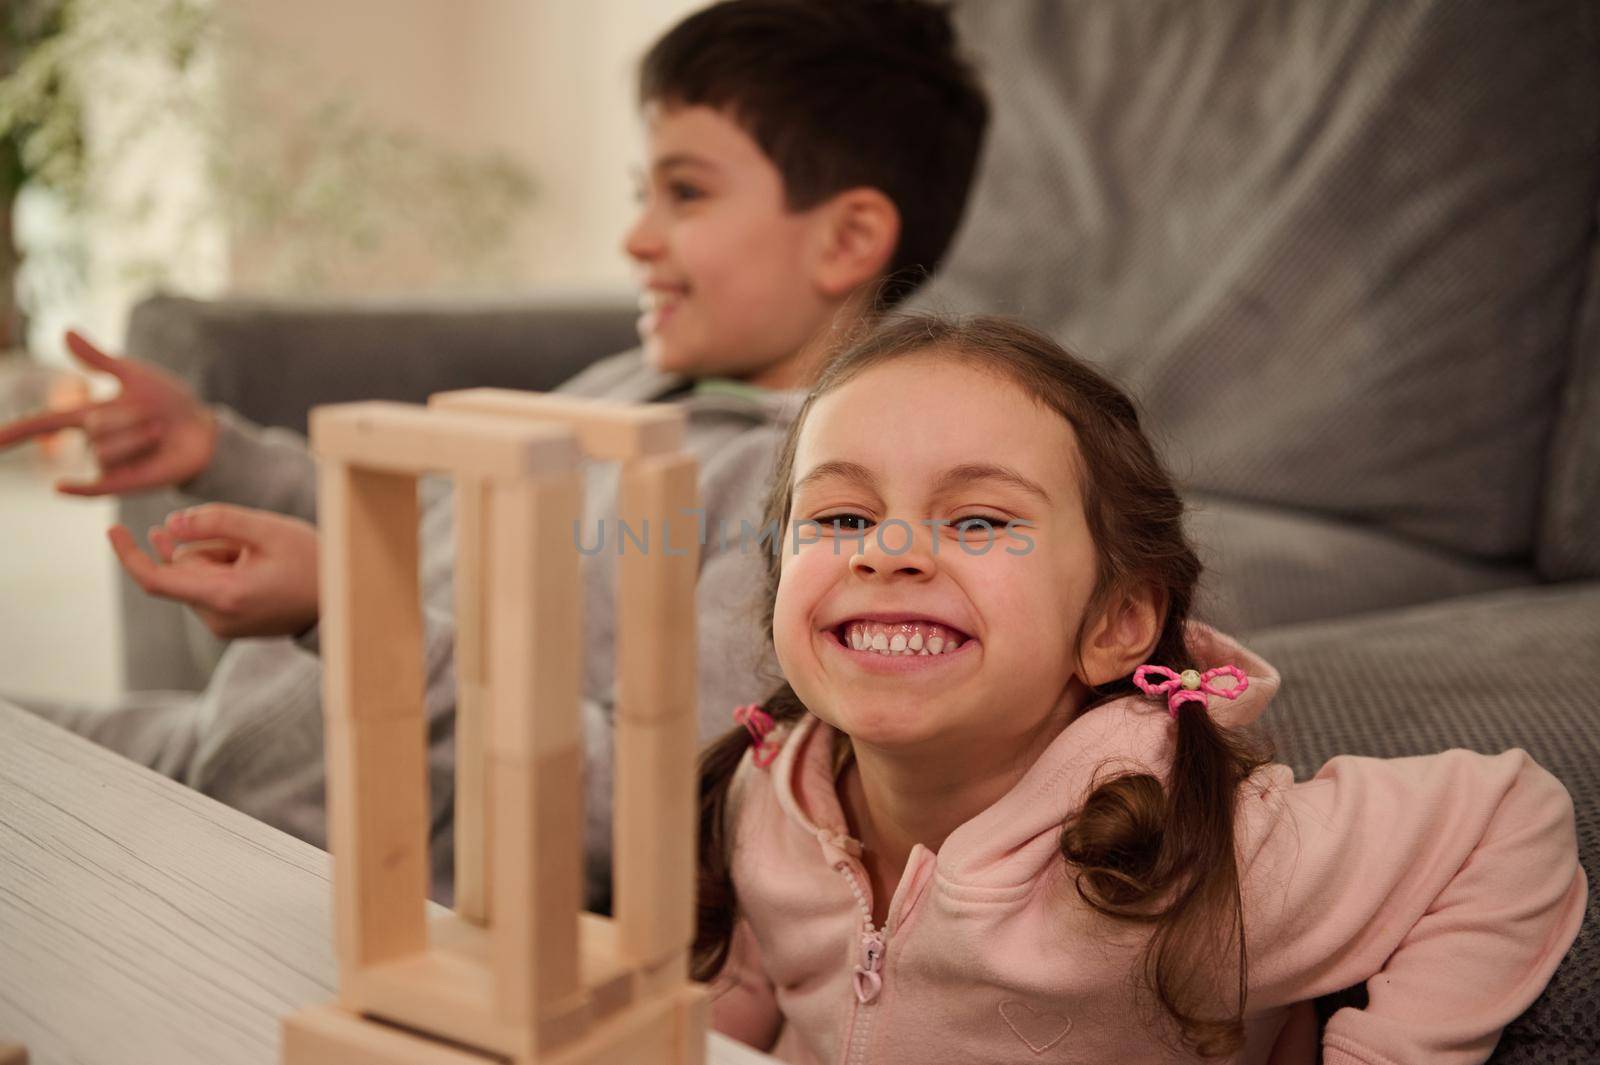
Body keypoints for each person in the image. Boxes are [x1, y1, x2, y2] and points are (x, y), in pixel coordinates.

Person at [0, 0, 990, 907]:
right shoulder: (630, 381)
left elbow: (654, 809)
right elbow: (418, 516)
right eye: (640, 193)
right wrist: (214, 450)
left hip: (348, 869)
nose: (635, 238)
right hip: (205, 744)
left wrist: (351, 618)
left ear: (847, 238)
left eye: (683, 194)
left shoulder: (799, 507)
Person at [696, 315, 1586, 1063]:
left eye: (978, 519)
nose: (883, 550)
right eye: (842, 515)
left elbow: (1506, 817)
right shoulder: (767, 798)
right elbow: (747, 987)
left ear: (1114, 623)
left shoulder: (1186, 854)